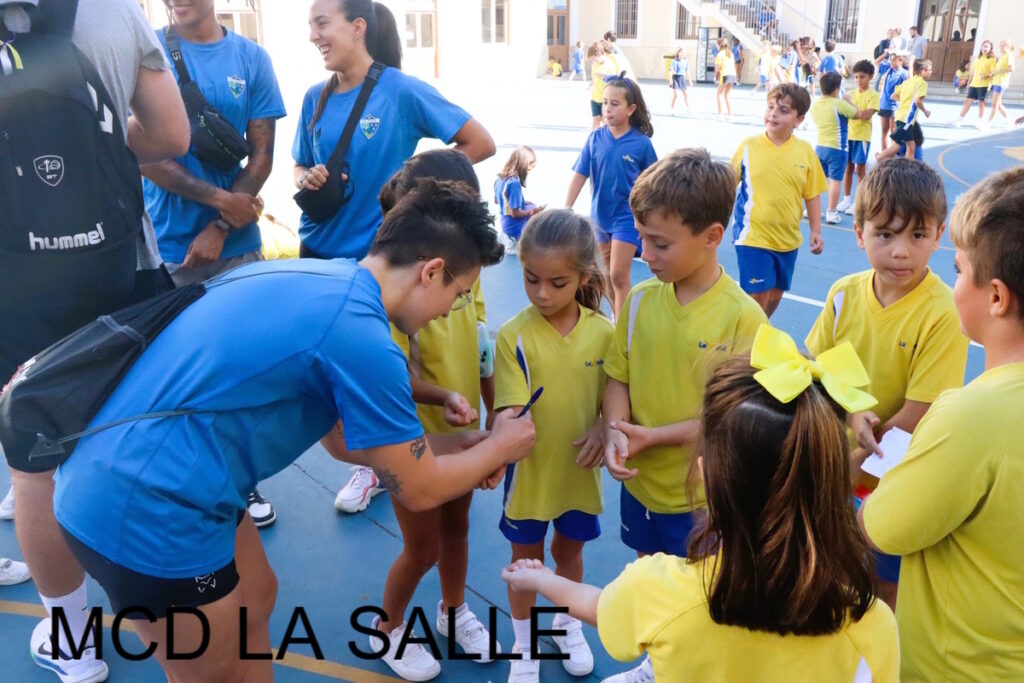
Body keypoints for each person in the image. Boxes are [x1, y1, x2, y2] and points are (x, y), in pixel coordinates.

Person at [43, 181, 536, 683]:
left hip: (153, 467)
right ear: (432, 272)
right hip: (148, 504)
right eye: (457, 295)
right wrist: (500, 443)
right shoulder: (364, 337)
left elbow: (346, 443)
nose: (447, 311)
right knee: (214, 673)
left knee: (256, 594)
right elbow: (420, 486)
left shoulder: (327, 280)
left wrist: (462, 445)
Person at [508, 331, 898, 683]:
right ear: (833, 480)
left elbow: (596, 605)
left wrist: (541, 578)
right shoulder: (874, 625)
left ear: (706, 474)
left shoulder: (657, 588)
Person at [3, 1, 191, 681]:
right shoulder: (114, 12)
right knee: (143, 432)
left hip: (15, 282)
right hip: (120, 263)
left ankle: (72, 637)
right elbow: (171, 135)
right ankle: (174, 607)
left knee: (35, 465)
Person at [600, 149, 767, 683]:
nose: (644, 253)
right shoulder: (642, 302)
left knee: (703, 595)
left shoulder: (742, 316)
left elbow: (734, 416)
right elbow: (617, 376)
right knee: (651, 580)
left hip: (703, 500)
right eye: (642, 237)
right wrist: (616, 430)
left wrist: (655, 436)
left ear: (713, 235)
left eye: (661, 242)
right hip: (643, 487)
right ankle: (657, 665)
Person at [859, 165, 1024, 682]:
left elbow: (882, 528)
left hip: (956, 668)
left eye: (957, 270)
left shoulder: (972, 416)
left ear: (995, 297)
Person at [142, 0, 287, 529]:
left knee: (240, 370)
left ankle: (242, 484)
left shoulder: (251, 58)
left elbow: (262, 153)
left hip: (237, 247)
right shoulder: (147, 51)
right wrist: (219, 201)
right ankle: (185, 485)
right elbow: (146, 157)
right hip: (168, 249)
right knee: (175, 374)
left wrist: (223, 224)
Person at [808, 158, 969, 609]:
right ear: (858, 234)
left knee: (883, 588)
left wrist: (854, 460)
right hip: (836, 464)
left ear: (939, 236)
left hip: (892, 477)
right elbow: (815, 366)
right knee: (830, 572)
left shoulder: (942, 312)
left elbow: (917, 416)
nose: (901, 251)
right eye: (885, 234)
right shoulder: (843, 293)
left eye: (917, 235)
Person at [363, 151, 500, 681]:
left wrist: (489, 415)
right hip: (415, 439)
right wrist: (443, 396)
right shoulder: (393, 290)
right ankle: (389, 627)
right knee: (421, 548)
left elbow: (482, 343)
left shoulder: (466, 264)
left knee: (458, 529)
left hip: (463, 433)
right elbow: (393, 378)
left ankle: (453, 610)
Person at [491, 210, 612, 683]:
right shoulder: (512, 336)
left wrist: (606, 426)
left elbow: (615, 399)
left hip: (580, 472)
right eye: (531, 279)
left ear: (584, 275)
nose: (542, 293)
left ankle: (566, 627)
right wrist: (496, 441)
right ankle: (524, 648)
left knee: (570, 554)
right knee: (525, 563)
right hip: (531, 477)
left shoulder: (605, 333)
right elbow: (508, 412)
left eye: (558, 283)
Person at [293, 0, 494, 261]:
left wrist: (414, 179)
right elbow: (300, 164)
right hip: (313, 252)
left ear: (357, 27)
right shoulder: (315, 97)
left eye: (322, 23)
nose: (312, 36)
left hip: (373, 257)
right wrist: (306, 178)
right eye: (310, 26)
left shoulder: (400, 91)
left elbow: (480, 143)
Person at [730, 84, 828, 317]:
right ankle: (748, 340)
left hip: (787, 240)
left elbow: (812, 194)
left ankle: (759, 329)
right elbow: (726, 185)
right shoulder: (748, 146)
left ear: (799, 119)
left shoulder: (804, 151)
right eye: (770, 107)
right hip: (752, 236)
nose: (773, 114)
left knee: (775, 293)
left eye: (783, 110)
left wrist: (816, 230)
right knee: (758, 294)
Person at [566, 75, 656, 317]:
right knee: (606, 276)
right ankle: (619, 318)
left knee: (618, 274)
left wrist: (651, 218)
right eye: (605, 102)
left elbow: (654, 183)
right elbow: (580, 174)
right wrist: (567, 207)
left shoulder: (641, 144)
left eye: (615, 104)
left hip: (626, 219)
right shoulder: (595, 139)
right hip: (599, 218)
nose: (607, 108)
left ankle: (624, 328)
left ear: (631, 109)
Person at [810, 71, 859, 225]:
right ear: (837, 90)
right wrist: (849, 101)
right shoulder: (839, 104)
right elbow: (858, 114)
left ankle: (813, 210)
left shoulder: (816, 104)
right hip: (837, 148)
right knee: (835, 180)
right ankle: (831, 211)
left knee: (818, 180)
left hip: (820, 146)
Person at [837, 60, 879, 215]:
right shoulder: (851, 94)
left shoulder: (873, 95)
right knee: (847, 168)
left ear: (870, 77)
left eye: (862, 77)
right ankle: (846, 199)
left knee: (860, 169)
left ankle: (859, 201)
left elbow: (866, 116)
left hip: (862, 137)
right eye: (856, 77)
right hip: (849, 135)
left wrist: (849, 103)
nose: (859, 80)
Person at [877, 59, 931, 162]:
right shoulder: (922, 83)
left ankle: (907, 167)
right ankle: (875, 161)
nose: (931, 72)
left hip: (900, 116)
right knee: (897, 146)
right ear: (923, 71)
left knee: (910, 145)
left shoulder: (908, 82)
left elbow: (894, 96)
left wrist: (906, 100)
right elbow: (918, 101)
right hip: (907, 119)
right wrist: (925, 112)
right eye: (929, 70)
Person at [493, 146, 544, 248]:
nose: (529, 171)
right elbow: (514, 214)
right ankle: (515, 240)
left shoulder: (499, 178)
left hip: (504, 222)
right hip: (513, 226)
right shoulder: (514, 183)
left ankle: (509, 236)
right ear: (523, 165)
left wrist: (521, 201)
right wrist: (533, 212)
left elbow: (497, 201)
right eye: (530, 168)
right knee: (540, 221)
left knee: (532, 205)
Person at [954, 39, 996, 129]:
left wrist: (984, 76)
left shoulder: (992, 60)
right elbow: (973, 71)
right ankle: (959, 120)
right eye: (983, 46)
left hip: (984, 85)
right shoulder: (978, 58)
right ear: (981, 47)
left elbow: (993, 72)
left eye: (987, 47)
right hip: (974, 84)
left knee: (981, 103)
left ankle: (981, 122)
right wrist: (969, 82)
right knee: (967, 101)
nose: (985, 48)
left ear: (990, 48)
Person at [874, 50, 908, 151]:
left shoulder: (904, 74)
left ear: (901, 61)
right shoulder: (888, 69)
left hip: (894, 106)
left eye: (894, 60)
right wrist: (885, 54)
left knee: (893, 131)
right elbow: (876, 62)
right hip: (884, 104)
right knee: (884, 131)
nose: (891, 62)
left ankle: (892, 153)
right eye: (891, 60)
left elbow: (906, 89)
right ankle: (884, 152)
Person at [586, 41, 614, 130]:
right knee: (595, 119)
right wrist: (590, 85)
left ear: (599, 54)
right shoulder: (595, 64)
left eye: (594, 58)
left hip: (605, 99)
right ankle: (593, 140)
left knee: (605, 121)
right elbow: (595, 77)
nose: (593, 60)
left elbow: (614, 79)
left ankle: (606, 141)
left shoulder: (610, 64)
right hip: (595, 97)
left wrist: (603, 74)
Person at [988, 39, 1015, 127]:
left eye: (1003, 45)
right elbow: (997, 70)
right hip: (996, 82)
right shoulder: (1002, 56)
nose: (1001, 47)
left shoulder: (1009, 55)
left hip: (1001, 83)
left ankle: (988, 123)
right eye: (1000, 45)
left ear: (1009, 47)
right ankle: (1009, 120)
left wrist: (998, 71)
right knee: (998, 105)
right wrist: (992, 73)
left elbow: (1011, 69)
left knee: (994, 104)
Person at [714, 37, 736, 119]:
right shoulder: (730, 53)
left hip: (725, 75)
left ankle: (720, 113)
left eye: (717, 44)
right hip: (732, 75)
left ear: (719, 45)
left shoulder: (719, 54)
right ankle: (730, 114)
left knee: (719, 94)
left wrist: (716, 76)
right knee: (727, 95)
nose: (716, 46)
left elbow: (717, 68)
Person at [668, 47, 691, 115]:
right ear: (678, 53)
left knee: (686, 94)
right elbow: (670, 71)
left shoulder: (686, 61)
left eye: (684, 53)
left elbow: (687, 72)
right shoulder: (675, 61)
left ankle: (688, 108)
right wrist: (670, 80)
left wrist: (690, 80)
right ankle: (672, 109)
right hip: (676, 78)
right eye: (682, 52)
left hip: (682, 78)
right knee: (676, 96)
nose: (683, 54)